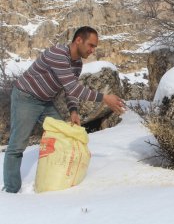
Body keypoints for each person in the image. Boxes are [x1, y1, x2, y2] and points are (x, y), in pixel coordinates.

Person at [2, 26, 126, 193]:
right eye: (91, 45)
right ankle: (11, 191)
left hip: (45, 101)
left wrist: (73, 111)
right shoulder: (58, 54)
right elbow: (74, 88)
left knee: (63, 136)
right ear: (78, 40)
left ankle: (56, 178)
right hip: (26, 97)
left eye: (95, 47)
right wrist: (104, 98)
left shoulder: (76, 64)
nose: (92, 50)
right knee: (17, 145)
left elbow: (69, 91)